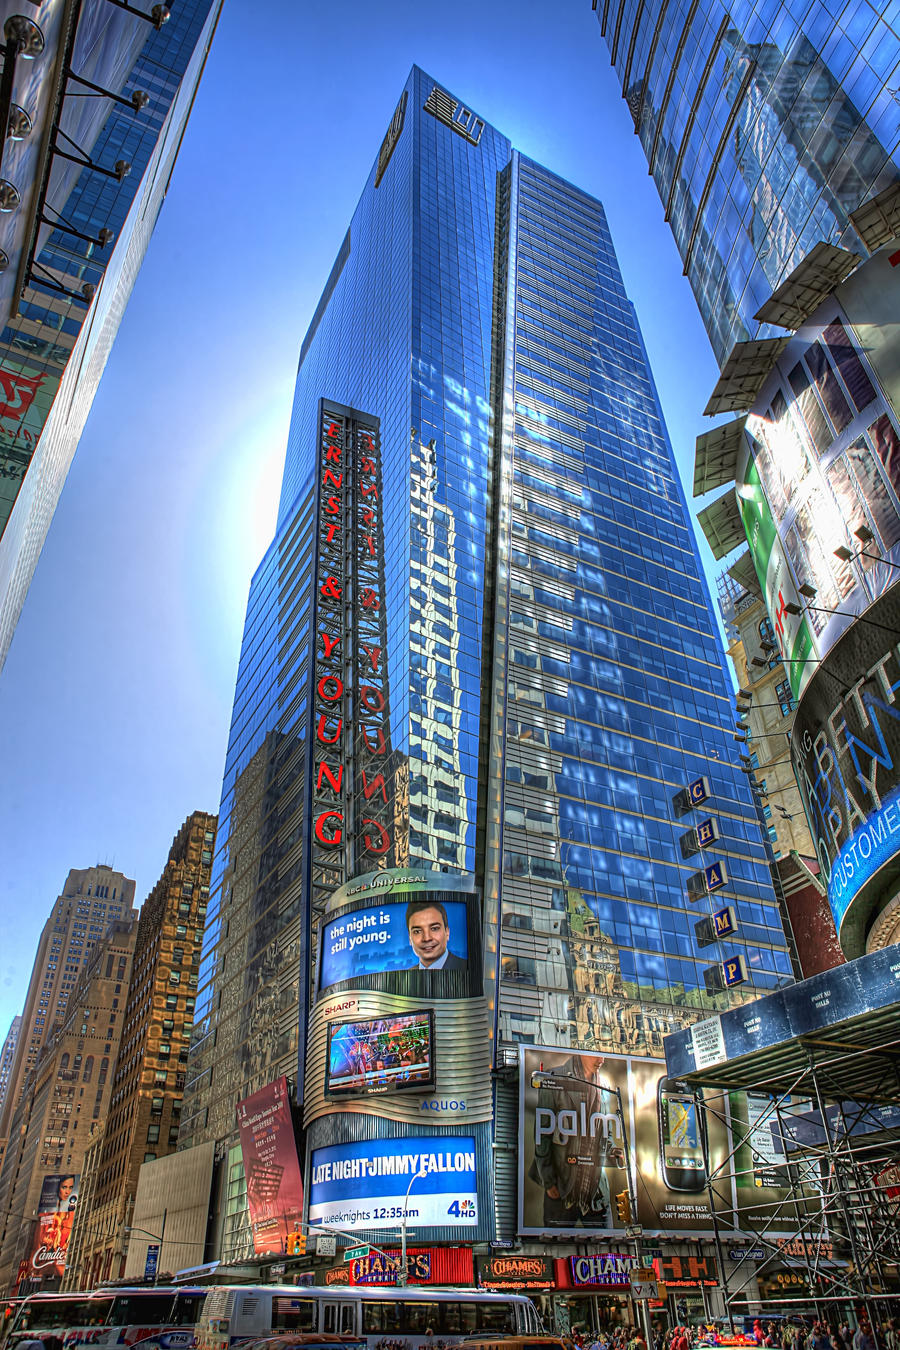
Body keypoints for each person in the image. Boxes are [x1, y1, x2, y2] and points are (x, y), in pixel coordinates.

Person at [404, 900, 466, 970]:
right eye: (417, 931)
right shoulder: (404, 976)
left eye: (434, 928)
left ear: (447, 932)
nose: (427, 938)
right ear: (410, 938)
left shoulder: (466, 967)